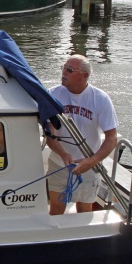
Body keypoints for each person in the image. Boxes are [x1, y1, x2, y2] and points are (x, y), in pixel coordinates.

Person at [46, 55, 118, 215]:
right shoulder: (52, 95)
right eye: (63, 68)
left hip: (88, 166)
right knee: (56, 209)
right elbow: (49, 134)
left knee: (84, 210)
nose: (64, 72)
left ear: (84, 75)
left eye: (69, 70)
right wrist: (63, 155)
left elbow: (111, 138)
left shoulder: (100, 99)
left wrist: (90, 162)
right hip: (59, 162)